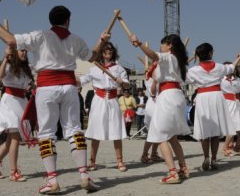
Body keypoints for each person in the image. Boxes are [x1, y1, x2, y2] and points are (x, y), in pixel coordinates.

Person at [0, 5, 104, 194]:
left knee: (46, 133)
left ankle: (53, 180)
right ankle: (84, 175)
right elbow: (93, 56)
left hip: (47, 87)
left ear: (51, 20)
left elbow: (10, 40)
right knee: (74, 130)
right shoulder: (76, 39)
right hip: (70, 87)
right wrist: (101, 41)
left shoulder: (40, 35)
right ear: (68, 20)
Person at [128, 33, 190, 184]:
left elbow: (153, 55)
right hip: (175, 95)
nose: (161, 47)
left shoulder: (168, 57)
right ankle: (183, 168)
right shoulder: (178, 60)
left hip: (168, 96)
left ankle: (173, 173)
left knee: (161, 134)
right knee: (172, 137)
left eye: (163, 44)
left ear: (169, 46)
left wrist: (140, 43)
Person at [186, 43, 240, 171]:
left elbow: (184, 79)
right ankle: (214, 159)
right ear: (211, 53)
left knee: (205, 130)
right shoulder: (219, 67)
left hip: (203, 97)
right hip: (216, 97)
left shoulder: (193, 70)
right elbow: (232, 67)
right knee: (215, 132)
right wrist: (239, 57)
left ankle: (206, 157)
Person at [80, 41, 130, 173]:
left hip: (113, 101)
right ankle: (92, 161)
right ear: (101, 52)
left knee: (116, 131)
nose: (109, 51)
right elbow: (81, 81)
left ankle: (120, 161)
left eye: (111, 49)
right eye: (106, 49)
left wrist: (122, 83)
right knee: (96, 131)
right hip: (98, 101)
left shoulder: (119, 69)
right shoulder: (94, 68)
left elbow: (127, 86)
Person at [0, 46, 34, 182]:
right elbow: (0, 76)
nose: (24, 52)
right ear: (15, 52)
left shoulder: (27, 67)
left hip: (21, 101)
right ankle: (14, 172)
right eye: (21, 50)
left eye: (26, 51)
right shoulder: (8, 65)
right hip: (10, 101)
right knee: (15, 137)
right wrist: (6, 58)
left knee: (12, 139)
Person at [221, 62, 240, 157]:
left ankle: (237, 146)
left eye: (232, 68)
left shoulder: (237, 79)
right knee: (233, 127)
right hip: (227, 103)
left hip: (237, 103)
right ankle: (225, 147)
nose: (231, 69)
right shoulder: (220, 79)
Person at [139, 63, 163, 164]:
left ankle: (153, 153)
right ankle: (144, 154)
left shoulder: (160, 77)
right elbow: (153, 93)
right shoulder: (149, 80)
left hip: (159, 104)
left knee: (159, 132)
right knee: (152, 132)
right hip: (153, 105)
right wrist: (156, 80)